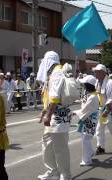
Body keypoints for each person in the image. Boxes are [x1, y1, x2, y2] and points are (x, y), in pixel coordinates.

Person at [37, 51, 72, 180]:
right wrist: (44, 112)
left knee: (60, 146)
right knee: (47, 143)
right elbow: (49, 96)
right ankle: (53, 171)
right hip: (53, 114)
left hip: (59, 115)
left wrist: (48, 115)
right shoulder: (53, 73)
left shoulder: (57, 72)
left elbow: (55, 97)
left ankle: (65, 174)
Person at [93, 64, 112, 154]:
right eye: (95, 72)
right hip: (100, 109)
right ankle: (100, 147)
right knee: (99, 129)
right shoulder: (97, 82)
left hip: (108, 110)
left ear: (103, 72)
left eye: (97, 72)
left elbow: (111, 99)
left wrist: (107, 111)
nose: (95, 74)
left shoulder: (110, 83)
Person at [73, 75, 99, 166]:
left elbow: (85, 109)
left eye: (84, 84)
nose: (83, 85)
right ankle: (90, 153)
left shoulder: (93, 97)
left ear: (88, 85)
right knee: (85, 137)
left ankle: (87, 160)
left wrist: (75, 112)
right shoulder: (88, 94)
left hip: (90, 119)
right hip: (88, 118)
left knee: (86, 139)